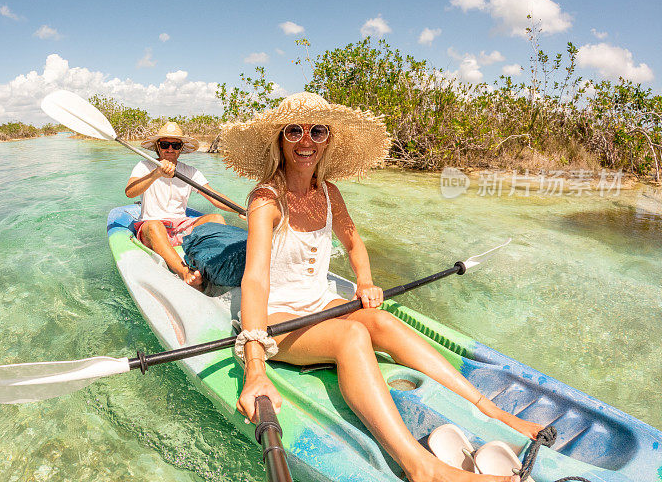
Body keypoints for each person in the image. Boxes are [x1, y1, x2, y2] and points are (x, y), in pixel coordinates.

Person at [220, 92, 543, 482]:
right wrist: (255, 367)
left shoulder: (329, 193)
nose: (306, 141)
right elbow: (254, 279)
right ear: (280, 139)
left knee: (381, 321)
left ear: (327, 140)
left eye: (317, 131)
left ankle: (488, 408)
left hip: (320, 304)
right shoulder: (265, 200)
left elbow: (354, 244)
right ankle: (422, 467)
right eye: (294, 131)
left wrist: (366, 282)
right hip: (276, 319)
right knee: (352, 334)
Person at [126, 122, 238, 287]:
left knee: (216, 218)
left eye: (175, 145)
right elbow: (130, 192)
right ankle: (185, 271)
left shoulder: (190, 171)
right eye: (165, 144)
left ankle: (217, 266)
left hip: (180, 225)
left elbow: (214, 197)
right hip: (152, 227)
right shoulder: (144, 166)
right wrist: (156, 174)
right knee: (155, 226)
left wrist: (240, 210)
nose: (170, 149)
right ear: (158, 146)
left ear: (180, 148)